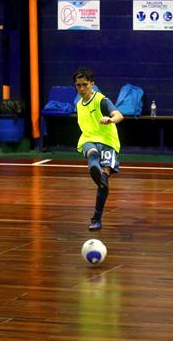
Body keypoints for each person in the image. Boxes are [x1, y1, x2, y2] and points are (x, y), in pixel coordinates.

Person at [74, 68, 124, 231]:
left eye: (85, 85)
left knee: (103, 183)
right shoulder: (79, 105)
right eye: (78, 85)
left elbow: (119, 116)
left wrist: (110, 119)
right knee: (91, 152)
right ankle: (94, 166)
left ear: (92, 84)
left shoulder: (101, 100)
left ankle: (97, 218)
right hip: (89, 139)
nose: (81, 89)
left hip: (108, 142)